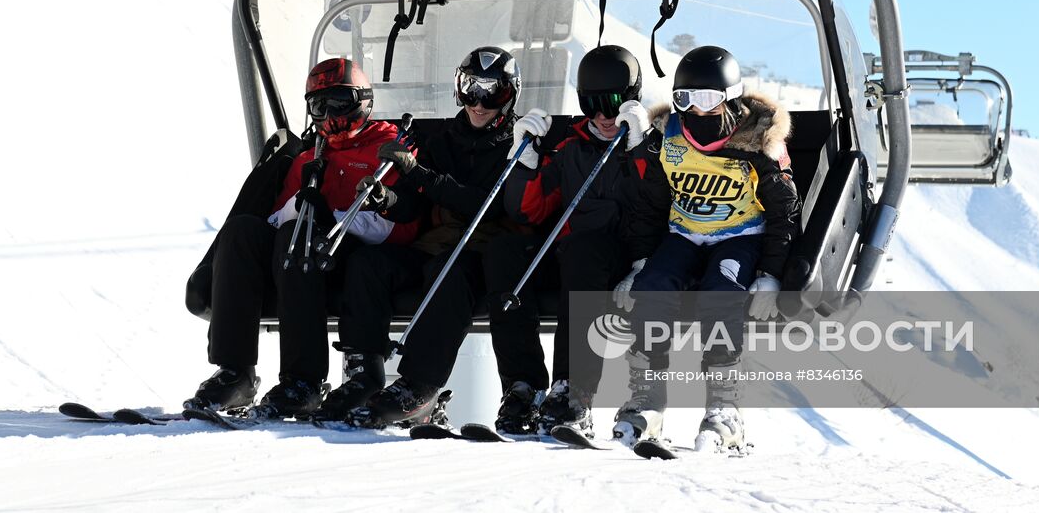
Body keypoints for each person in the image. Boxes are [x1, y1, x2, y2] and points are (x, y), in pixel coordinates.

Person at [185, 57, 413, 418]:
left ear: (362, 102)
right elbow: (277, 218)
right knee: (243, 230)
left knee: (299, 234)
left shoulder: (389, 149)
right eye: (319, 106)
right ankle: (235, 372)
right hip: (298, 256)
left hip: (355, 259)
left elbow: (399, 227)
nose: (330, 116)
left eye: (339, 103)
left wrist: (331, 217)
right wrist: (295, 206)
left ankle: (302, 379)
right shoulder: (308, 156)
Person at [616, 45, 798, 452]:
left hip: (740, 236)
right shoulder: (671, 139)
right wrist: (640, 263)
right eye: (686, 100)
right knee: (654, 286)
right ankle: (647, 399)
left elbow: (784, 210)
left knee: (722, 291)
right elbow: (650, 204)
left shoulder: (756, 143)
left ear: (730, 100)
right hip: (684, 234)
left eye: (709, 100)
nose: (697, 111)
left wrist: (771, 273)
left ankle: (724, 407)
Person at [339, 47, 521, 427]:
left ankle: (420, 385)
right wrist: (385, 200)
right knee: (369, 263)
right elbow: (413, 207)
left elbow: (483, 203)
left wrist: (418, 174)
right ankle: (364, 373)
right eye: (470, 89)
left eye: (493, 93)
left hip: (479, 254)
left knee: (447, 273)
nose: (479, 103)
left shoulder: (515, 144)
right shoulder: (443, 140)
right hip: (431, 245)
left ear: (510, 95)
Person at [490, 45, 657, 436]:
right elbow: (528, 211)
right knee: (506, 251)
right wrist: (525, 163)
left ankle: (574, 390)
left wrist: (640, 150)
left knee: (584, 249)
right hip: (571, 256)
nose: (602, 116)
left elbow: (654, 207)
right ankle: (524, 385)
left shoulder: (654, 147)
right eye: (591, 105)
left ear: (632, 98)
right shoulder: (570, 149)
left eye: (613, 104)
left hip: (619, 258)